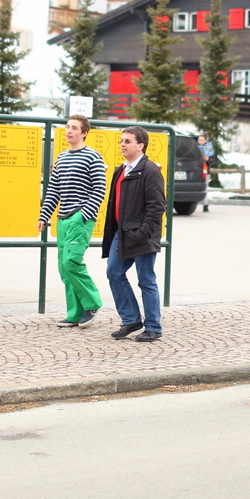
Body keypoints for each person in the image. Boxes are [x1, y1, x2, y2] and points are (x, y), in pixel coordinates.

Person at [37, 116, 107, 328]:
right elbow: (54, 190)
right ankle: (75, 313)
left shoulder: (93, 157)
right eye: (67, 127)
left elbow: (100, 189)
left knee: (71, 262)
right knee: (63, 268)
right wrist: (44, 215)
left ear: (84, 133)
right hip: (63, 219)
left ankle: (92, 303)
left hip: (80, 218)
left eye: (74, 128)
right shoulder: (61, 158)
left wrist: (83, 214)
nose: (69, 131)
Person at [102, 125, 166, 342]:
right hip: (122, 233)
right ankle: (131, 319)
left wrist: (142, 232)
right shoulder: (120, 170)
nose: (122, 144)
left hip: (142, 235)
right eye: (121, 141)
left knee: (146, 279)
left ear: (141, 145)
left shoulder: (150, 170)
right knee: (114, 272)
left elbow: (157, 207)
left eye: (127, 141)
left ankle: (153, 327)